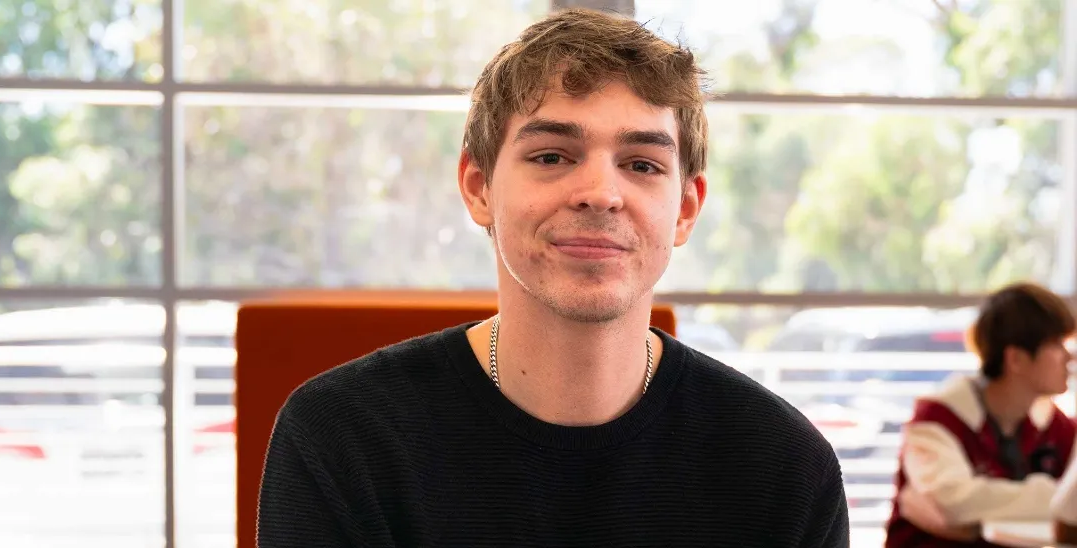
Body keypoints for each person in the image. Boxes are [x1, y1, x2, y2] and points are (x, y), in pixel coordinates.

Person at [256, 8, 847, 547]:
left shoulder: (784, 468)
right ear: (478, 186)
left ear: (686, 209)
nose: (600, 194)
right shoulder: (343, 438)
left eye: (641, 164)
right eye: (551, 157)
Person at [885, 282, 1076, 547]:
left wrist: (971, 523)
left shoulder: (1057, 427)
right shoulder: (938, 418)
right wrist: (1055, 497)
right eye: (1056, 344)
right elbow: (954, 500)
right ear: (1016, 359)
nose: (1069, 357)